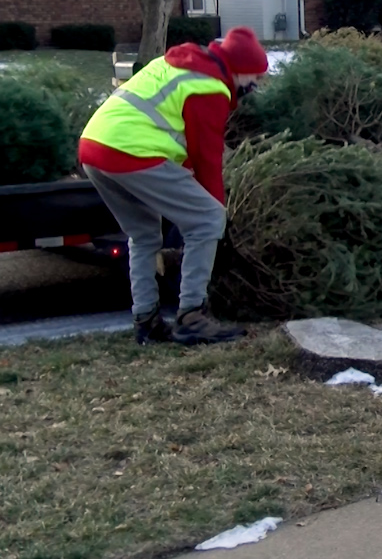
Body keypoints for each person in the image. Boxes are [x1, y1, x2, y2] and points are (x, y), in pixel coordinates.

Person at [79, 28, 268, 345]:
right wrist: (218, 214)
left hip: (94, 146)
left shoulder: (179, 65)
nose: (257, 83)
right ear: (239, 69)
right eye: (256, 76)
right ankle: (192, 317)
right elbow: (206, 159)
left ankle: (146, 321)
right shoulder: (209, 87)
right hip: (131, 151)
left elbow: (182, 146)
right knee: (207, 219)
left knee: (143, 235)